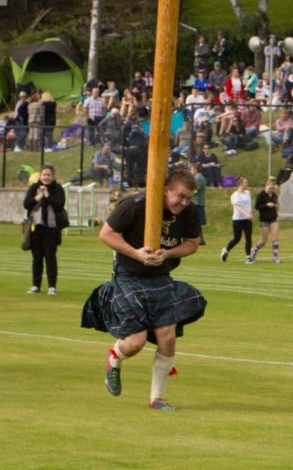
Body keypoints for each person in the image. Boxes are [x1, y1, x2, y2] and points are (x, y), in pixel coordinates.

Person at [83, 169, 205, 411]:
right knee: (136, 342)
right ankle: (114, 357)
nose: (184, 202)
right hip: (129, 275)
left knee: (167, 336)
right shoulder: (136, 204)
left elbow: (192, 244)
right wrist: (137, 253)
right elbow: (106, 234)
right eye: (180, 196)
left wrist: (168, 253)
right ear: (166, 189)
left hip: (160, 277)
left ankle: (157, 398)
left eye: (188, 198)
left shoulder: (189, 211)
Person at [23, 165, 65, 295]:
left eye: (49, 175)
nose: (46, 177)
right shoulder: (34, 188)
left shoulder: (57, 189)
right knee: (37, 257)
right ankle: (36, 284)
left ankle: (52, 285)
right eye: (44, 175)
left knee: (50, 257)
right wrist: (38, 196)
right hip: (36, 227)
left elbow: (59, 206)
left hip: (51, 228)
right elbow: (26, 204)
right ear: (40, 175)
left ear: (53, 176)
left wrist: (47, 195)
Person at [247, 178, 281, 263]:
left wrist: (275, 207)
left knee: (275, 237)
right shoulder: (261, 195)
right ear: (266, 185)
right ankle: (253, 251)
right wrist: (266, 205)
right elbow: (257, 206)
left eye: (273, 188)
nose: (271, 190)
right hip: (264, 220)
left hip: (273, 219)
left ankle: (275, 257)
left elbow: (275, 204)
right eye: (270, 188)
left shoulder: (274, 195)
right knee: (263, 241)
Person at [220, 176, 253, 263]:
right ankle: (226, 250)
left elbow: (249, 204)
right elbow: (237, 207)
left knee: (248, 238)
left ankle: (248, 257)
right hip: (238, 220)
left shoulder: (248, 192)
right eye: (246, 182)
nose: (247, 184)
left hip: (247, 220)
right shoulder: (235, 195)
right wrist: (246, 213)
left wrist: (249, 214)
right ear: (241, 184)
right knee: (237, 239)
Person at [188, 162, 207, 244]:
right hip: (198, 202)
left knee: (195, 221)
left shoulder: (197, 178)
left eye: (191, 169)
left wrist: (189, 193)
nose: (190, 171)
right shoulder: (200, 177)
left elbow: (196, 189)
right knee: (197, 221)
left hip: (196, 202)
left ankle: (199, 239)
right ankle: (200, 239)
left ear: (195, 169)